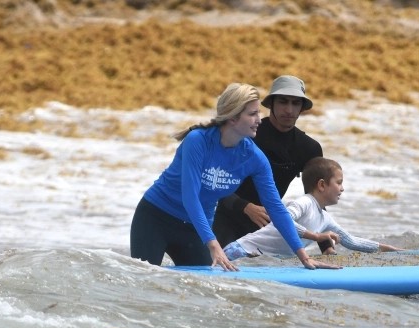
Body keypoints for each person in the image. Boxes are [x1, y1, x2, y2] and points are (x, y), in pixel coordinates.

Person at [130, 83, 340, 271]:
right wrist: (213, 244)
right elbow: (190, 197)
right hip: (156, 218)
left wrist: (303, 256)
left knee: (203, 289)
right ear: (232, 117)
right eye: (252, 114)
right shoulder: (198, 141)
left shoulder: (254, 157)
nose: (259, 120)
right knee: (144, 281)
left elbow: (276, 208)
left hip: (194, 228)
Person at [212, 75, 335, 254]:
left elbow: (315, 203)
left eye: (296, 103)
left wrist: (325, 248)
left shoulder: (308, 148)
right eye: (283, 102)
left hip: (266, 229)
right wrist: (246, 207)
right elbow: (213, 182)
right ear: (271, 104)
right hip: (227, 218)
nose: (289, 110)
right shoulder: (246, 135)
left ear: (302, 108)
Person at [223, 157, 404, 260]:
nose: (342, 189)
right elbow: (283, 221)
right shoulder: (304, 203)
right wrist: (315, 236)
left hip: (257, 259)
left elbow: (351, 241)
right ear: (322, 185)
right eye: (339, 183)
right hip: (240, 251)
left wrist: (392, 250)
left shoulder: (324, 218)